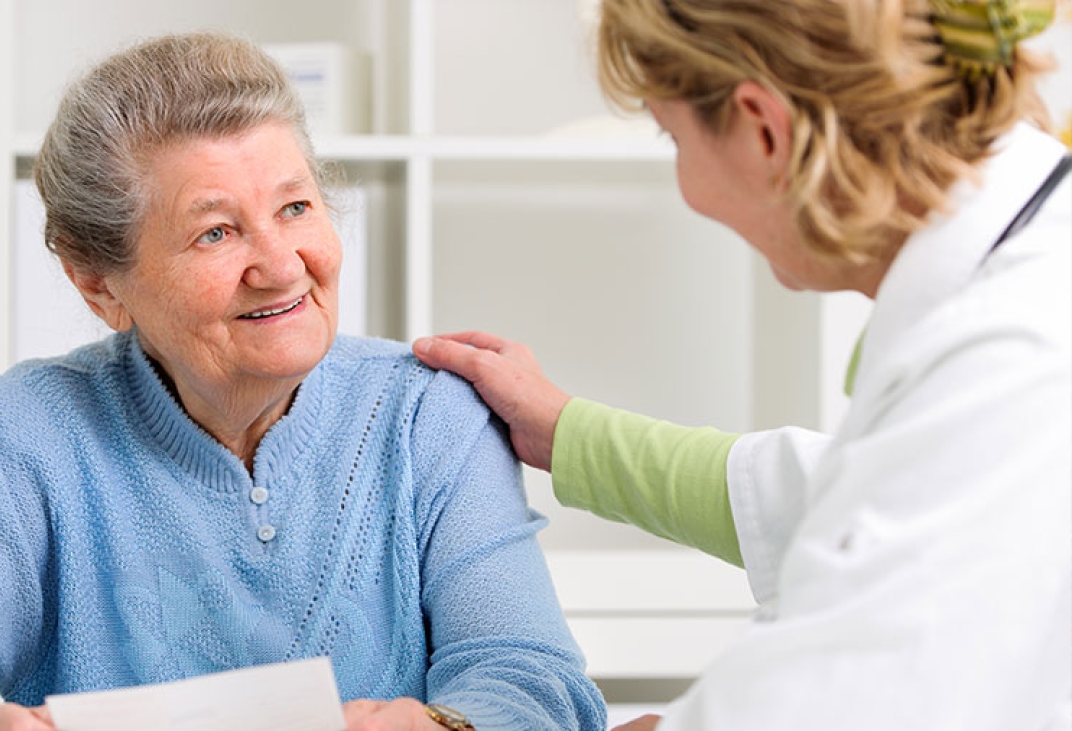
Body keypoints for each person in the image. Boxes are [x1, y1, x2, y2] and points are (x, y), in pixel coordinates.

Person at [0, 31, 608, 731]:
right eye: (216, 232)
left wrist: (442, 724)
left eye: (295, 208)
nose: (282, 267)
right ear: (99, 286)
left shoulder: (429, 414)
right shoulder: (26, 429)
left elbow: (535, 678)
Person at [413, 1, 1071, 729]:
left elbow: (826, 700)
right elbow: (829, 497)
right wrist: (568, 433)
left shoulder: (1010, 358)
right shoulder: (1014, 277)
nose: (687, 185)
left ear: (763, 129)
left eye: (673, 137)